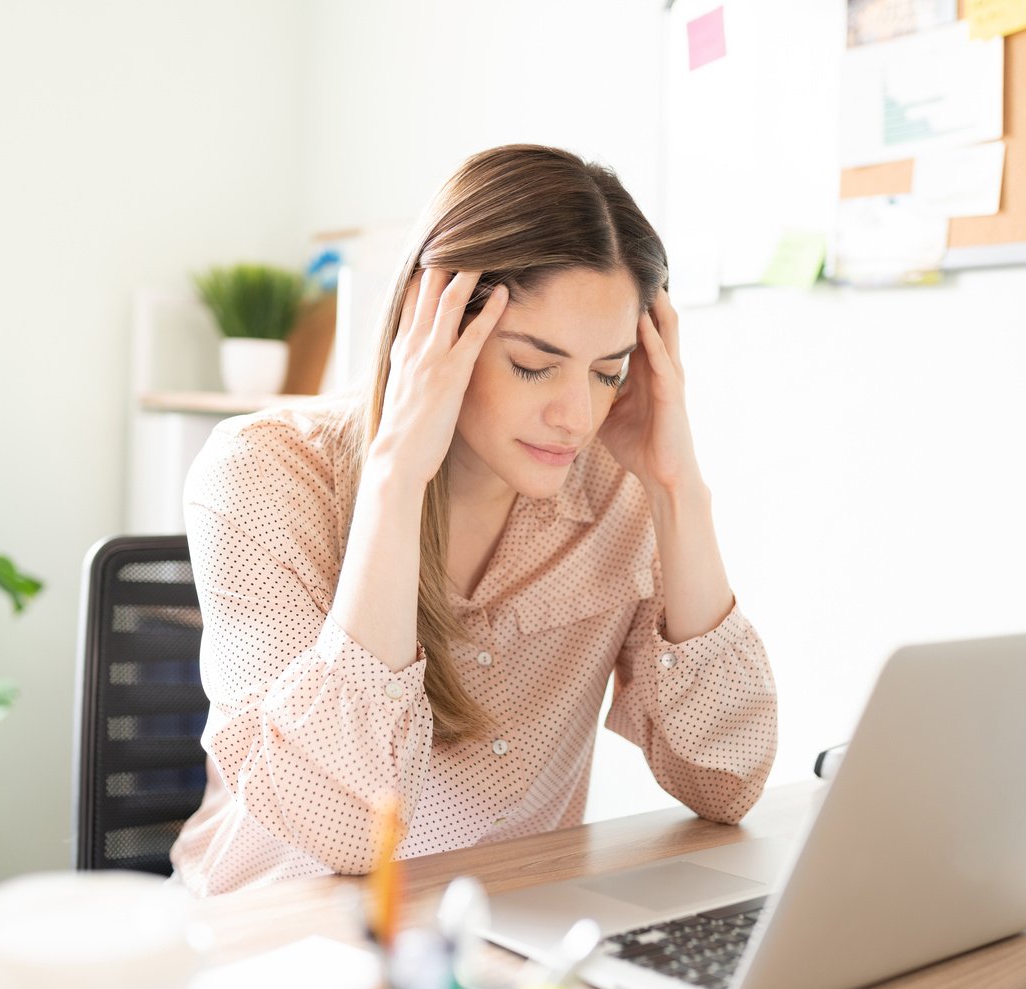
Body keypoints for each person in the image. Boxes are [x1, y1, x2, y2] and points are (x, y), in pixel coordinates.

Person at [171, 145, 777, 896]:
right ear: (435, 328)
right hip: (276, 938)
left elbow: (728, 778)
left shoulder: (621, 492)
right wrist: (396, 479)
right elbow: (347, 833)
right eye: (533, 363)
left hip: (499, 945)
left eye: (607, 372)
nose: (576, 415)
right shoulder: (262, 474)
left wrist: (677, 487)